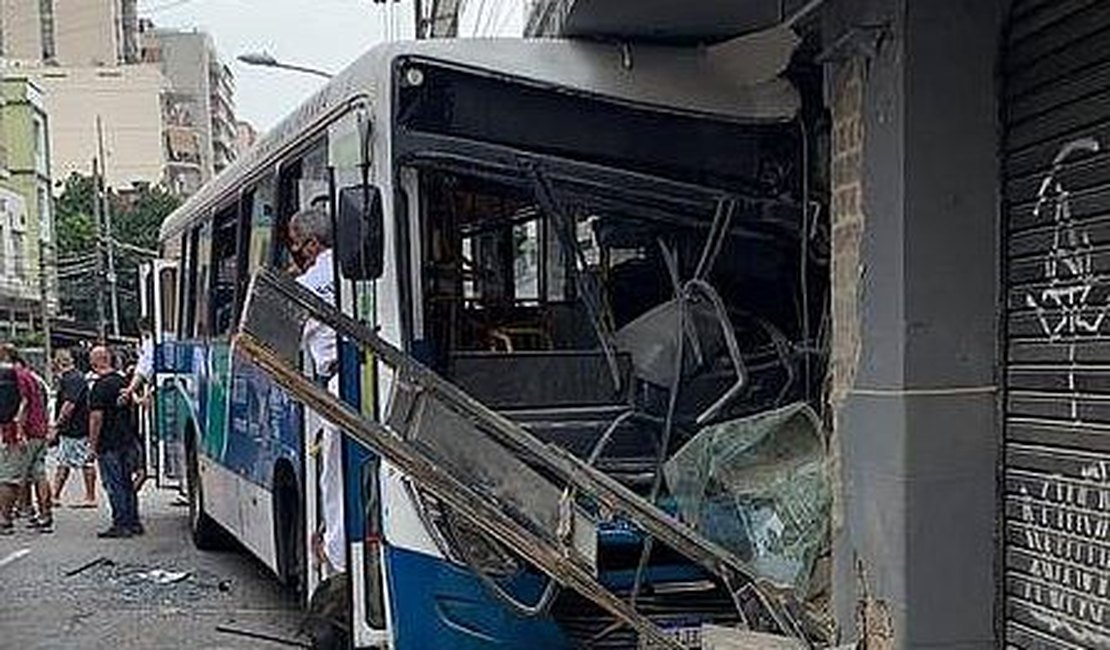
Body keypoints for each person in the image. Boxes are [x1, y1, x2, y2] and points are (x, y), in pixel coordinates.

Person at [288, 206, 345, 574]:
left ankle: (335, 561)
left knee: (333, 482)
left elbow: (283, 337)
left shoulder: (307, 287)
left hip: (337, 386)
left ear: (310, 245)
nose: (295, 250)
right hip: (375, 379)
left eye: (295, 243)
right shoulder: (356, 270)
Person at [88, 346, 141, 538]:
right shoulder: (123, 381)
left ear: (95, 362)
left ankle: (121, 523)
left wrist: (92, 446)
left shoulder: (99, 386)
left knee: (114, 484)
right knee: (127, 483)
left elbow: (96, 418)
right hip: (127, 440)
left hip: (108, 443)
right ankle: (134, 521)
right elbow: (134, 408)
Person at [0, 344, 52, 533]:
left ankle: (4, 521)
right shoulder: (31, 376)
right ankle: (45, 515)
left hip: (22, 434)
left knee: (8, 477)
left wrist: (19, 431)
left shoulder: (13, 376)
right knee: (39, 474)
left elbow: (23, 403)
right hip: (39, 432)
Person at [51, 348, 97, 508]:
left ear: (58, 362)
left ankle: (89, 497)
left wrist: (57, 424)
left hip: (76, 428)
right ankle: (55, 495)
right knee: (66, 462)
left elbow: (69, 404)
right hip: (76, 428)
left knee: (80, 462)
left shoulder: (72, 379)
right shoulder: (75, 377)